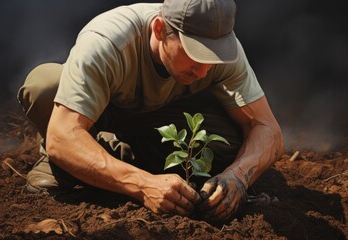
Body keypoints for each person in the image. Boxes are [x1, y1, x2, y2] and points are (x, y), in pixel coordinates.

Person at [17, 0, 284, 221]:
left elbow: (266, 128)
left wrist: (238, 177)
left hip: (160, 121)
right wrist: (143, 185)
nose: (204, 70)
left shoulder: (227, 53)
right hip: (102, 114)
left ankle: (100, 156)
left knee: (231, 140)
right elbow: (64, 133)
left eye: (213, 57)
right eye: (195, 53)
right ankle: (64, 163)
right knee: (45, 86)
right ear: (159, 29)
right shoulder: (107, 41)